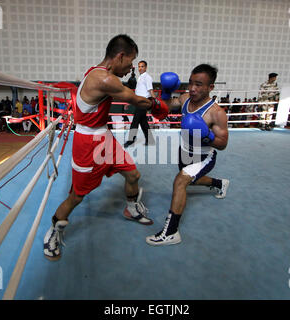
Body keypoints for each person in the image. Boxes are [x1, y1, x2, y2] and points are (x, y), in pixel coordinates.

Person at [43, 34, 169, 261]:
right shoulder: (105, 79)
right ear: (119, 56)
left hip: (105, 138)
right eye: (130, 61)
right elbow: (137, 101)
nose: (131, 68)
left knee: (133, 174)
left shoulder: (95, 70)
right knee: (77, 196)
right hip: (87, 144)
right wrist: (158, 104)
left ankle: (131, 208)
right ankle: (52, 231)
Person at [145, 64, 230, 246]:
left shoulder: (216, 113)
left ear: (210, 87)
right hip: (184, 151)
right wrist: (165, 93)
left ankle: (171, 232)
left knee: (180, 181)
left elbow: (223, 144)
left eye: (199, 84)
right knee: (193, 180)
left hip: (203, 156)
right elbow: (165, 108)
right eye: (191, 83)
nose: (192, 88)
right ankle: (220, 183)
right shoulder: (184, 99)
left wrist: (205, 134)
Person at [124, 60, 156, 147]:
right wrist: (130, 102)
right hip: (139, 102)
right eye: (139, 66)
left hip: (143, 102)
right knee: (143, 123)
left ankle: (131, 140)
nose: (140, 68)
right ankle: (150, 140)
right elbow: (138, 93)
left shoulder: (147, 77)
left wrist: (156, 102)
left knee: (135, 121)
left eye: (142, 66)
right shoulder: (140, 77)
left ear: (146, 67)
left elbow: (151, 90)